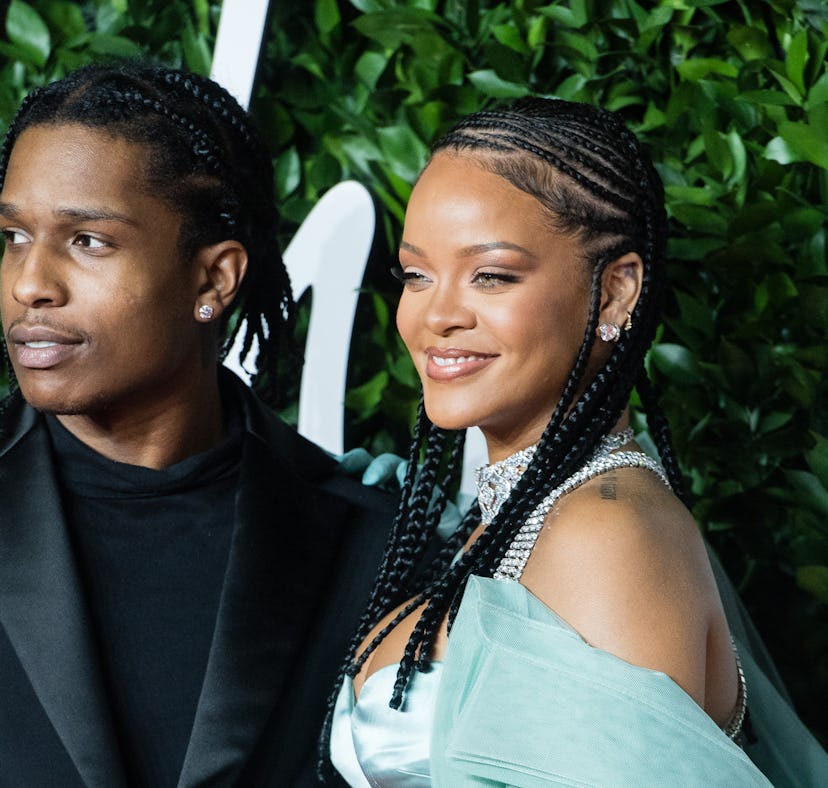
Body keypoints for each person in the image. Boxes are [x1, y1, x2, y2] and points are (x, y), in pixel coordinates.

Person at [323, 98, 828, 785]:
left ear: (616, 292)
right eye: (416, 275)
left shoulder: (609, 537)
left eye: (491, 275)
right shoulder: (518, 518)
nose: (436, 315)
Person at [0, 62, 394, 787]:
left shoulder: (369, 542)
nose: (30, 283)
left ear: (214, 278)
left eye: (87, 241)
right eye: (15, 235)